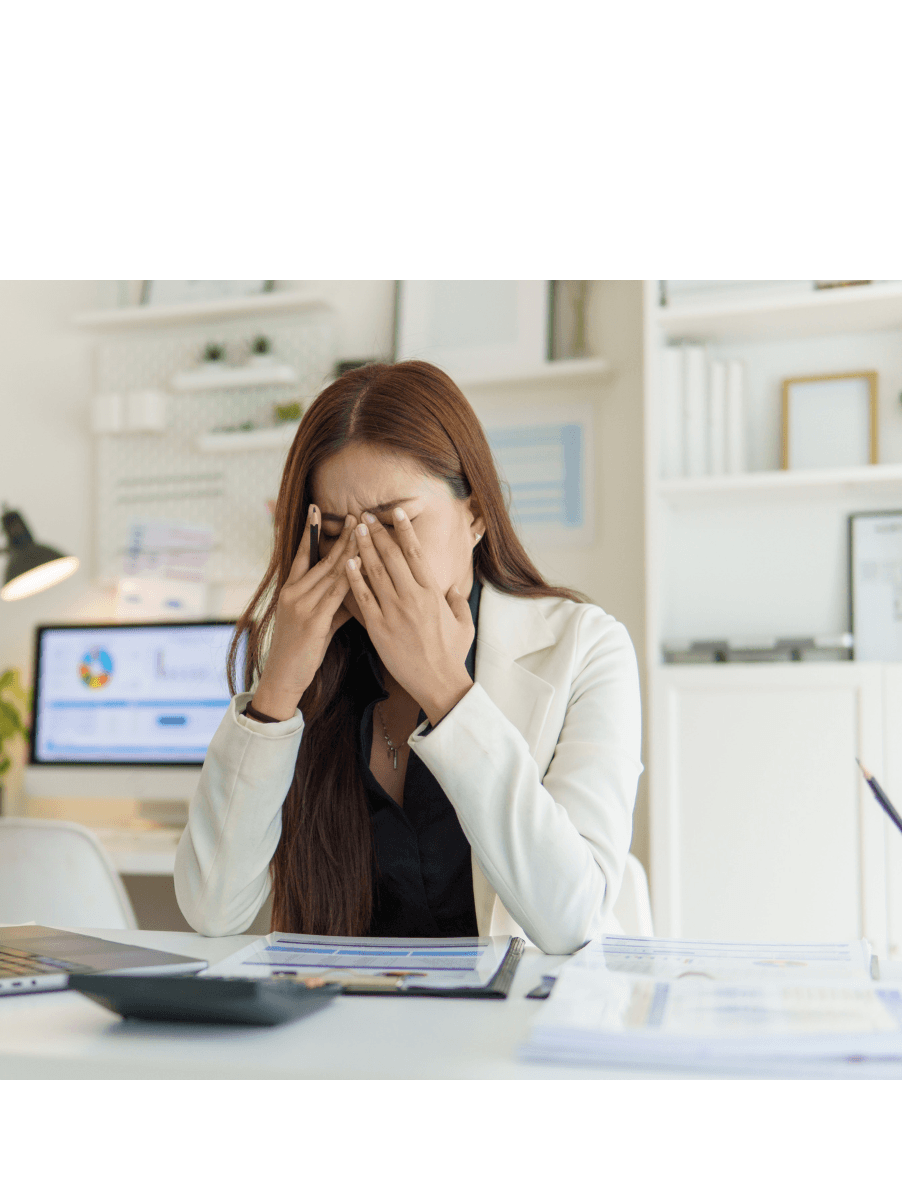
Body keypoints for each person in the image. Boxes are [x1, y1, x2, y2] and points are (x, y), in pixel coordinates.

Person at [174, 360, 642, 954]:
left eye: (395, 522)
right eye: (338, 530)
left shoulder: (586, 647)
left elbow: (571, 918)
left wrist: (446, 690)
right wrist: (278, 689)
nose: (364, 556)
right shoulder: (308, 665)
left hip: (517, 1027)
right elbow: (213, 911)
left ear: (475, 513)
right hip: (344, 1025)